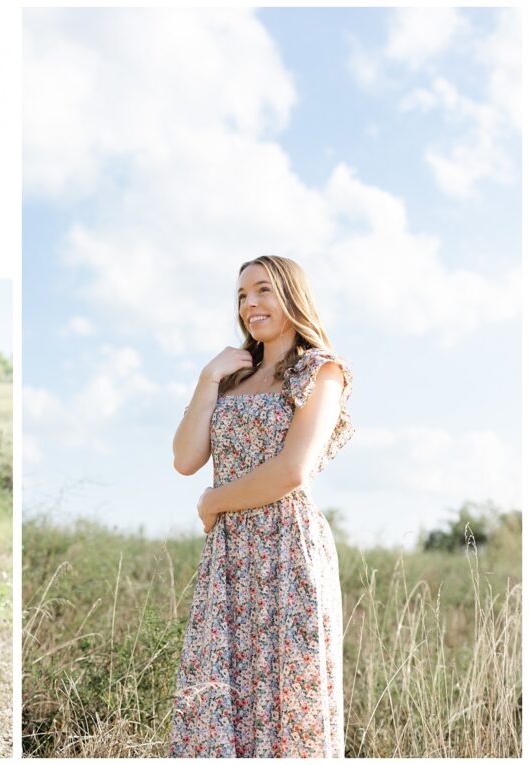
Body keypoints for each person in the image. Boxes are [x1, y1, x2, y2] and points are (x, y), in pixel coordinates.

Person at [169, 255, 355, 757]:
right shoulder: (231, 378)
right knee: (216, 700)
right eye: (241, 296)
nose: (250, 304)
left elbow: (293, 471)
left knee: (288, 702)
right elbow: (186, 458)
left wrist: (214, 501)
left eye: (262, 291)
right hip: (228, 559)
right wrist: (208, 378)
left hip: (287, 550)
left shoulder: (322, 372)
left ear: (293, 295)